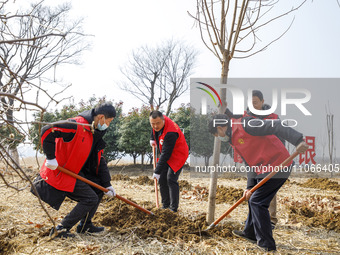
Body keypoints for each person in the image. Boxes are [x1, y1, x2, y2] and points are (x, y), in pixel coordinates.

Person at [209, 113, 308, 251]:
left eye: (216, 134)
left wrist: (298, 140)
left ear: (220, 128)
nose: (219, 137)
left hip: (279, 164)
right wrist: (249, 187)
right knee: (252, 197)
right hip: (264, 168)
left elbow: (276, 125)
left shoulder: (245, 124)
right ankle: (250, 233)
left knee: (257, 202)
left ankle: (266, 245)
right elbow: (249, 163)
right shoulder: (234, 138)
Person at [32, 102, 117, 238]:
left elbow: (99, 159)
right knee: (90, 199)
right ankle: (61, 229)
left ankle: (85, 226)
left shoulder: (93, 132)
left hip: (74, 173)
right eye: (109, 121)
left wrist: (107, 184)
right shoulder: (77, 125)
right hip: (59, 172)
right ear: (101, 117)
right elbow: (48, 129)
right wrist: (50, 158)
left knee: (99, 189)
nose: (108, 125)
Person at [225, 90, 281, 229]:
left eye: (256, 102)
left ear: (262, 102)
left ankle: (271, 220)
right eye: (251, 103)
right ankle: (253, 221)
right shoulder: (246, 116)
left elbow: (280, 136)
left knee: (269, 189)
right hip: (255, 157)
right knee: (253, 190)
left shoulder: (273, 116)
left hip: (272, 158)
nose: (253, 105)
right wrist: (224, 109)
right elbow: (234, 117)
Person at [149, 110, 189, 212]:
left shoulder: (171, 132)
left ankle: (173, 208)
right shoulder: (157, 120)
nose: (156, 126)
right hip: (166, 151)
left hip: (178, 154)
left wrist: (157, 171)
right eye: (152, 124)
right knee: (162, 179)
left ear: (163, 120)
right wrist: (152, 138)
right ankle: (165, 205)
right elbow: (154, 128)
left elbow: (166, 154)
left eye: (158, 123)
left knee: (171, 178)